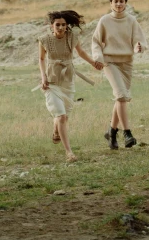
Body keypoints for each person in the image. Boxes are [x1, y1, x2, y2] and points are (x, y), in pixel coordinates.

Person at [38, 9, 103, 162]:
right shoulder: (43, 40)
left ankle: (56, 131)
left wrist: (93, 63)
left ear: (67, 26)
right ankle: (69, 152)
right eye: (57, 25)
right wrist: (43, 77)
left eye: (63, 25)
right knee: (61, 116)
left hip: (68, 80)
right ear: (51, 26)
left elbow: (80, 52)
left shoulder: (72, 37)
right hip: (52, 82)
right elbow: (41, 59)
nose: (60, 27)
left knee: (63, 117)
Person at [92, 0, 147, 150]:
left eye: (121, 1)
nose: (118, 4)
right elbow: (95, 41)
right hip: (110, 62)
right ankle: (127, 133)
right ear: (111, 3)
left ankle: (111, 132)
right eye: (115, 1)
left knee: (120, 98)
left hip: (127, 63)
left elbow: (140, 40)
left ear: (126, 3)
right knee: (122, 96)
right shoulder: (104, 21)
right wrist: (98, 57)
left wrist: (139, 47)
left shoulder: (131, 20)